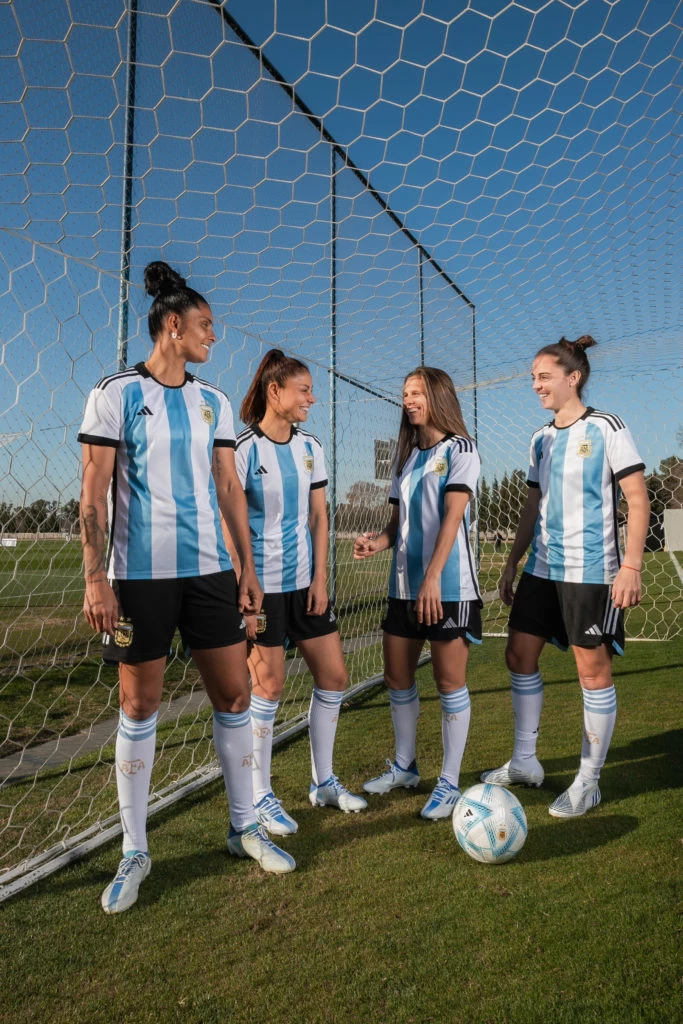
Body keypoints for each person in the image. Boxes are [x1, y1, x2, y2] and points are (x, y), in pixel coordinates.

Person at [79, 262, 295, 914]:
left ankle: (242, 827)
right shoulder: (115, 393)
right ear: (171, 327)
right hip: (136, 579)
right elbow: (92, 490)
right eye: (204, 326)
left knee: (232, 694)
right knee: (139, 706)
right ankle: (135, 850)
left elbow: (229, 488)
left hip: (209, 575)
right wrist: (95, 577)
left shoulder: (216, 402)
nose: (213, 336)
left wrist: (246, 568)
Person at [481, 336, 650, 817]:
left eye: (543, 376)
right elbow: (533, 505)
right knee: (518, 654)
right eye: (533, 377)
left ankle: (588, 781)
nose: (535, 384)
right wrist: (514, 560)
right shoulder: (541, 438)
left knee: (591, 672)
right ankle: (524, 762)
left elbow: (638, 500)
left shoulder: (607, 427)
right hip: (542, 566)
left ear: (572, 377)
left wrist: (631, 567)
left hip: (592, 570)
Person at [234, 348, 366, 836]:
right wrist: (243, 587)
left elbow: (318, 517)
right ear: (276, 391)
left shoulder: (311, 447)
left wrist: (321, 579)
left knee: (334, 676)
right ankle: (260, 793)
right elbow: (231, 524)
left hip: (305, 586)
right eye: (304, 389)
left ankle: (323, 782)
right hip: (261, 590)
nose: (312, 398)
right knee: (267, 687)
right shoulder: (243, 447)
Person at [354, 366, 482, 820]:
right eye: (405, 393)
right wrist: (377, 542)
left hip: (448, 588)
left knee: (450, 684)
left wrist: (432, 577)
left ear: (438, 397)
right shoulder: (405, 458)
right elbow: (396, 527)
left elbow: (452, 519)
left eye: (417, 393)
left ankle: (448, 782)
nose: (408, 400)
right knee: (397, 678)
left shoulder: (461, 449)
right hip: (403, 588)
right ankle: (406, 765)